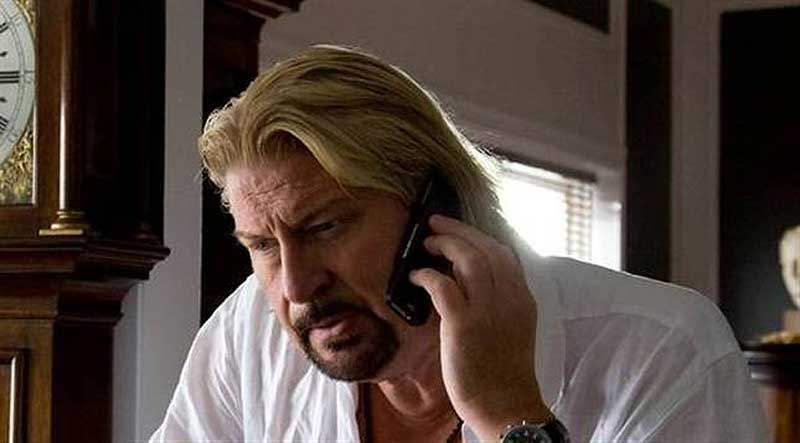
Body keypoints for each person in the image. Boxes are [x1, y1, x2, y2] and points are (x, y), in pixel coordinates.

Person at [150, 45, 767, 442]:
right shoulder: (247, 333)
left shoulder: (662, 348)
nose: (295, 284)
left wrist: (510, 415)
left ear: (437, 208)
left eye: (326, 227)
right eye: (262, 245)